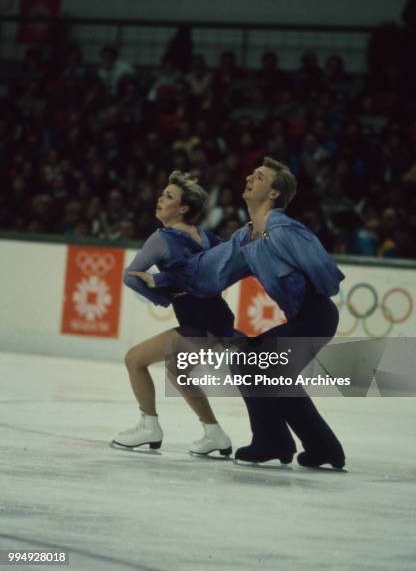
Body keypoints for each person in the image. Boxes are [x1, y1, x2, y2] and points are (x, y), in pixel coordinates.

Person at [137, 159, 346, 469]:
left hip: (316, 315)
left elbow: (327, 277)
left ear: (274, 193)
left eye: (259, 177)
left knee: (247, 359)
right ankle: (323, 448)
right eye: (251, 173)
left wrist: (301, 290)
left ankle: (272, 440)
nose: (249, 177)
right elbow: (209, 268)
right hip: (302, 318)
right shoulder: (246, 237)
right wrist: (162, 278)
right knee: (274, 376)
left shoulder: (284, 229)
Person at [113, 171, 248, 456]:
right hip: (218, 318)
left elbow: (131, 276)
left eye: (169, 196)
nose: (160, 199)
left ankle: (149, 426)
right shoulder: (208, 238)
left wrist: (163, 294)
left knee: (134, 359)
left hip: (199, 323)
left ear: (184, 208)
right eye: (162, 194)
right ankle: (214, 434)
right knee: (178, 370)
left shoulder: (161, 239)